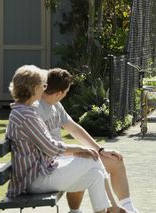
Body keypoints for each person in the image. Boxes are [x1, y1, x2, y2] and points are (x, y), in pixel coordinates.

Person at [6, 65, 112, 213]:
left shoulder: (25, 111)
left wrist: (81, 150)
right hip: (35, 179)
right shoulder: (26, 115)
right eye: (43, 85)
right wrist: (80, 149)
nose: (45, 89)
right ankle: (112, 209)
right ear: (35, 88)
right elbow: (50, 147)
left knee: (95, 175)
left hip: (42, 171)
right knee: (92, 158)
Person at [32, 68, 139, 213]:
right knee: (91, 161)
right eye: (66, 92)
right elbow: (44, 147)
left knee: (113, 161)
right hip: (48, 165)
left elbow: (74, 129)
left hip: (60, 159)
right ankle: (112, 210)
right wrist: (77, 151)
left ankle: (126, 208)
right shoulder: (35, 109)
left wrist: (99, 149)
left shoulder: (55, 104)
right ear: (59, 93)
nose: (65, 95)